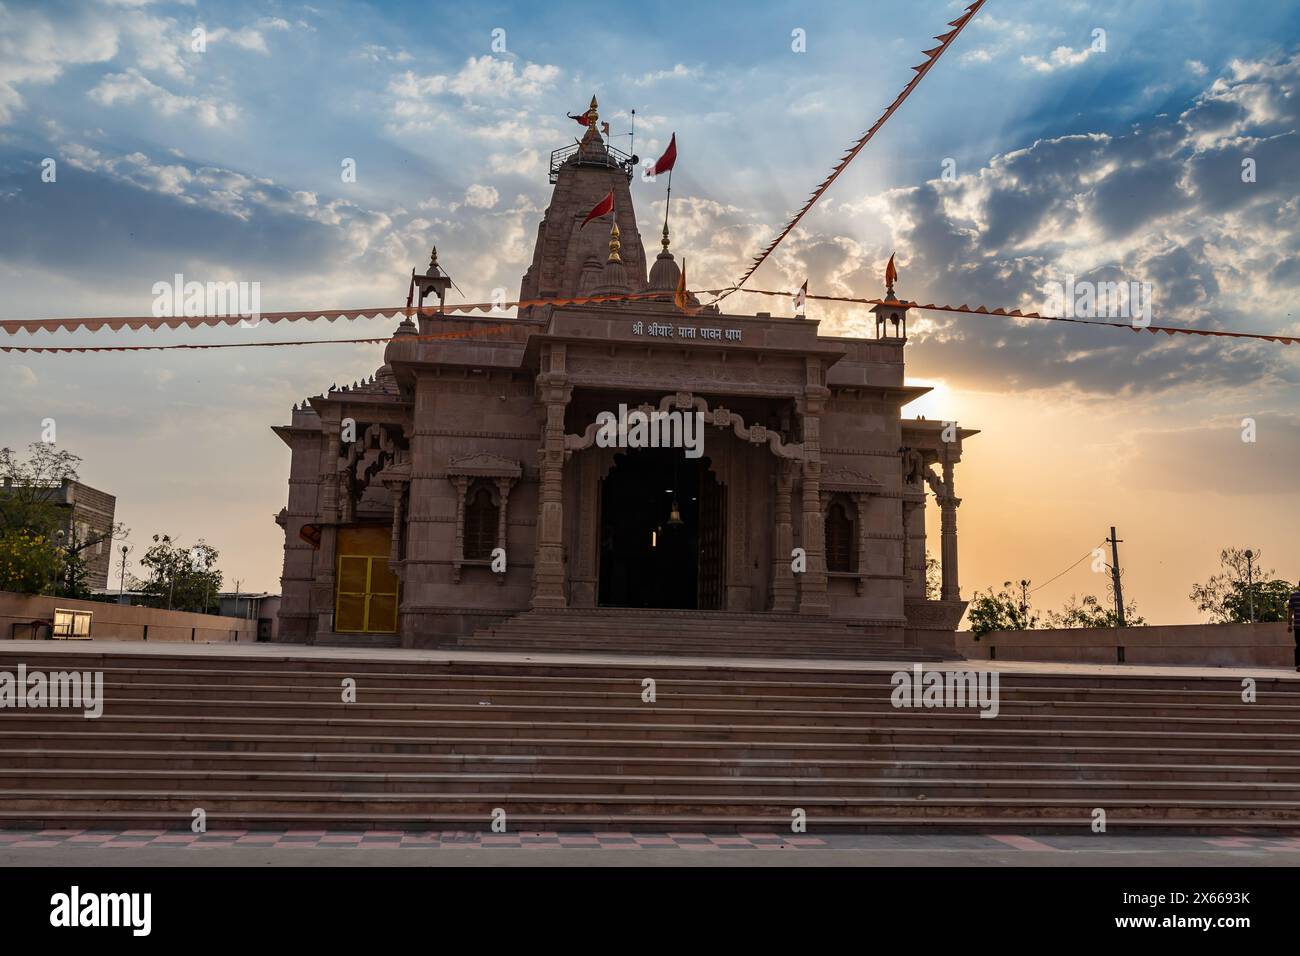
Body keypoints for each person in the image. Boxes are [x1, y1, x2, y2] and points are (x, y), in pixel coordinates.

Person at [1290, 581, 1300, 672]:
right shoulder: (1293, 596)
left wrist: (1289, 624)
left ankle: (1299, 665)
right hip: (1297, 626)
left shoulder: (1294, 596)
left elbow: (1290, 612)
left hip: (1297, 626)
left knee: (1299, 645)